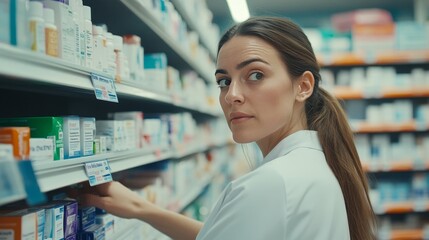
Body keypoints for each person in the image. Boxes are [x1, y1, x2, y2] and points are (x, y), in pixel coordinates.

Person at [79, 17, 376, 240]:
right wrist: (142, 209)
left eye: (255, 75)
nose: (232, 94)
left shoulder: (272, 183)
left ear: (303, 86)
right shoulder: (315, 161)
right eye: (224, 80)